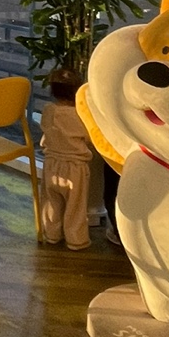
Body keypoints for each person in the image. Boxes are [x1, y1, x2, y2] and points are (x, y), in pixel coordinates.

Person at [40, 73, 94, 250]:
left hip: (51, 164)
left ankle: (52, 234)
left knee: (51, 203)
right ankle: (76, 240)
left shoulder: (48, 110)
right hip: (75, 167)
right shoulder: (79, 115)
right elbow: (89, 137)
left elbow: (45, 130)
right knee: (75, 207)